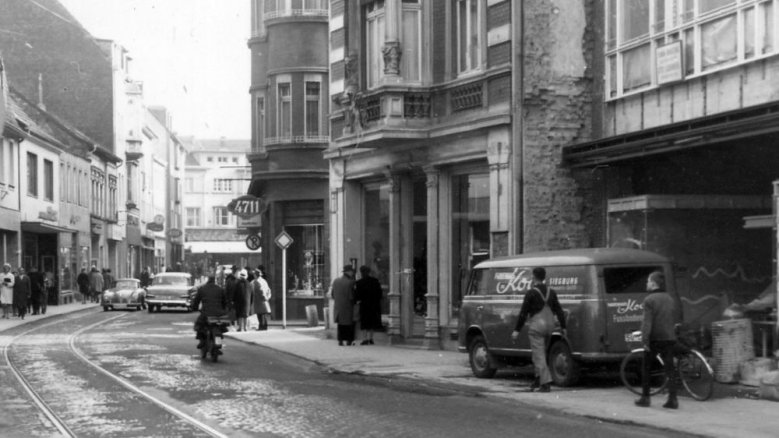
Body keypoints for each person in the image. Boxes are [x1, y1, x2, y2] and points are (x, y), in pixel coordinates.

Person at [511, 267, 567, 393]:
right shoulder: (551, 292)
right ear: (544, 277)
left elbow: (523, 313)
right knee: (540, 354)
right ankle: (537, 380)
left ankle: (545, 384)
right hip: (550, 326)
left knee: (539, 356)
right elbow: (559, 310)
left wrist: (516, 330)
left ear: (534, 277)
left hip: (537, 327)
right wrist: (563, 327)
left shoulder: (531, 293)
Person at [635, 270, 681, 409]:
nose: (646, 283)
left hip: (655, 338)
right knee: (670, 369)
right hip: (669, 337)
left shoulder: (649, 300)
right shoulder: (669, 298)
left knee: (646, 368)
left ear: (653, 284)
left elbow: (647, 322)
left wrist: (645, 340)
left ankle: (645, 398)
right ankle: (673, 399)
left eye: (648, 281)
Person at [191, 275, 228, 349]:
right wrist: (224, 310)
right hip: (219, 314)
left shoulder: (202, 289)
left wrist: (194, 308)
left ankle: (202, 341)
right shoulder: (220, 289)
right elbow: (225, 302)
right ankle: (218, 339)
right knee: (222, 326)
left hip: (206, 313)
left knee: (199, 325)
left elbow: (196, 301)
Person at [355, 265, 382, 345]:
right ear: (369, 272)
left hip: (364, 305)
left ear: (361, 272)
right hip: (374, 305)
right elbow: (379, 294)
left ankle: (365, 338)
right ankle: (371, 338)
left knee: (364, 322)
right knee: (372, 322)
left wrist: (357, 301)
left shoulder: (359, 283)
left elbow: (357, 295)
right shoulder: (375, 281)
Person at [330, 264, 357, 346]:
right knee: (349, 325)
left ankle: (340, 340)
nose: (353, 273)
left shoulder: (336, 281)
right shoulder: (351, 282)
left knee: (340, 325)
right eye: (352, 272)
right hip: (348, 307)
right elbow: (352, 296)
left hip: (338, 307)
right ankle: (349, 340)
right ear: (349, 272)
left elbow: (332, 294)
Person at [252, 266, 272, 331]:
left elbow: (261, 291)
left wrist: (263, 297)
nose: (254, 275)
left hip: (260, 300)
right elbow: (268, 289)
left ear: (256, 275)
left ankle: (262, 326)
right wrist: (268, 297)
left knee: (260, 314)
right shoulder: (264, 281)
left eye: (254, 274)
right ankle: (264, 326)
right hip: (264, 300)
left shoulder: (257, 282)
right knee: (263, 314)